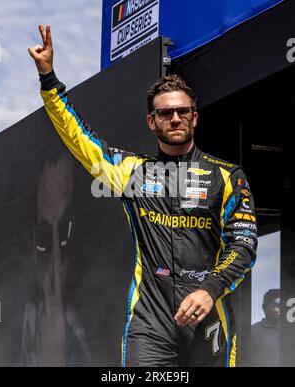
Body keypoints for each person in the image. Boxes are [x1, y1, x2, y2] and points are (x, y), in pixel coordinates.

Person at [28, 25, 258, 367]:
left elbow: (244, 245)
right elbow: (81, 139)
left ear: (195, 117)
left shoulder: (227, 176)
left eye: (182, 111)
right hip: (149, 324)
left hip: (209, 319)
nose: (175, 118)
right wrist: (49, 79)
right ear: (152, 122)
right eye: (165, 113)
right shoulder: (133, 172)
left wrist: (210, 288)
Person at [21, 148, 91, 367]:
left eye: (64, 231)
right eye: (43, 237)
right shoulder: (15, 315)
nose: (56, 258)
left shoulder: (101, 321)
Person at [250, 289, 280, 367]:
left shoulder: (290, 332)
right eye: (275, 305)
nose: (279, 309)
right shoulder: (252, 331)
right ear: (265, 307)